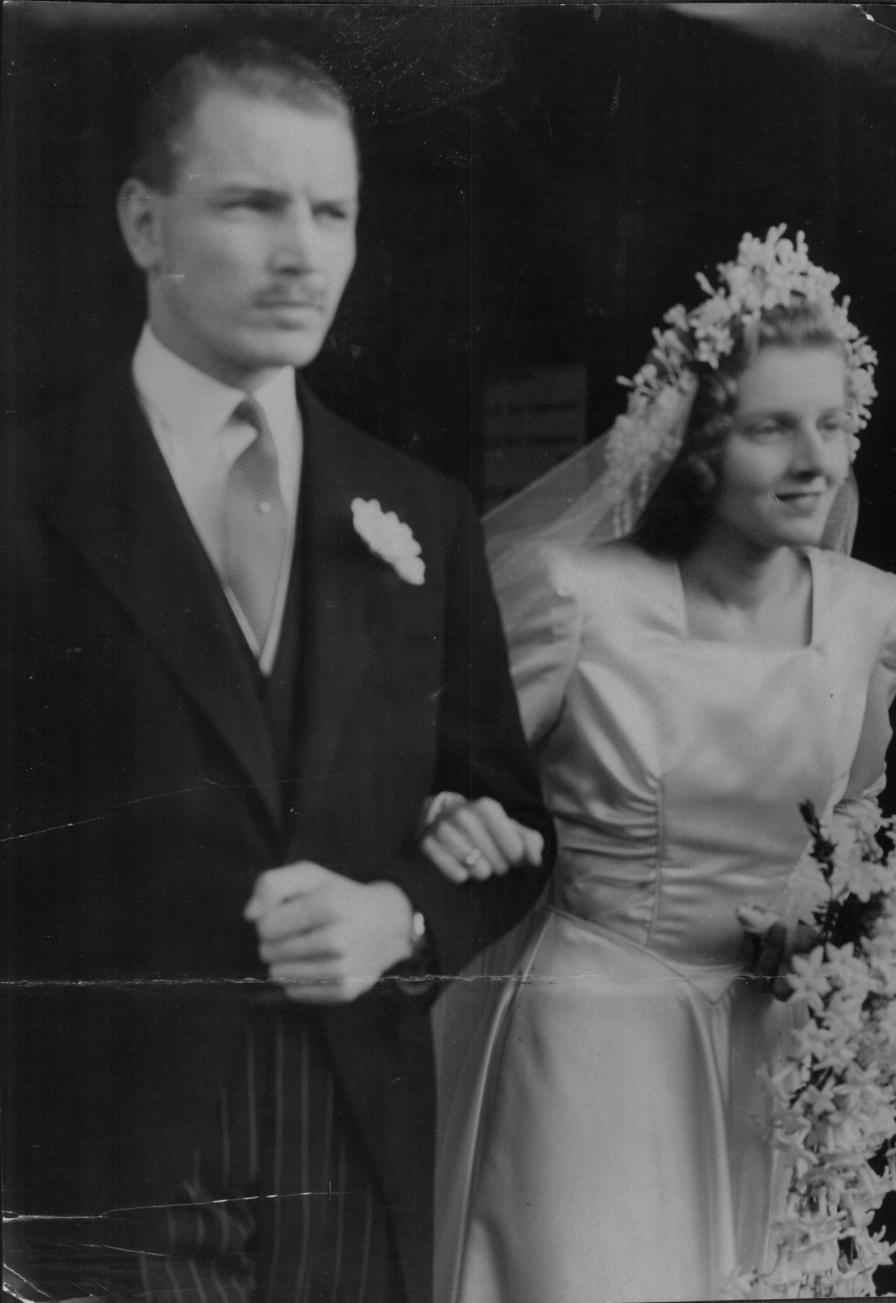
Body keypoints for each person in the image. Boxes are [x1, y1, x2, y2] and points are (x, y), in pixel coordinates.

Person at [1, 38, 552, 1303]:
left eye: (333, 211)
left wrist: (399, 911)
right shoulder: (26, 494)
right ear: (146, 221)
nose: (302, 251)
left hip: (351, 1134)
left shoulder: (421, 511)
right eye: (252, 203)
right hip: (93, 1148)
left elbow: (516, 820)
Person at [420, 228, 896, 1301]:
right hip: (592, 1040)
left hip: (769, 1057)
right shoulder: (579, 595)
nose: (811, 462)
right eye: (771, 427)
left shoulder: (873, 613)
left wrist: (846, 935)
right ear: (700, 439)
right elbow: (458, 776)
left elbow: (861, 815)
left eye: (831, 425)